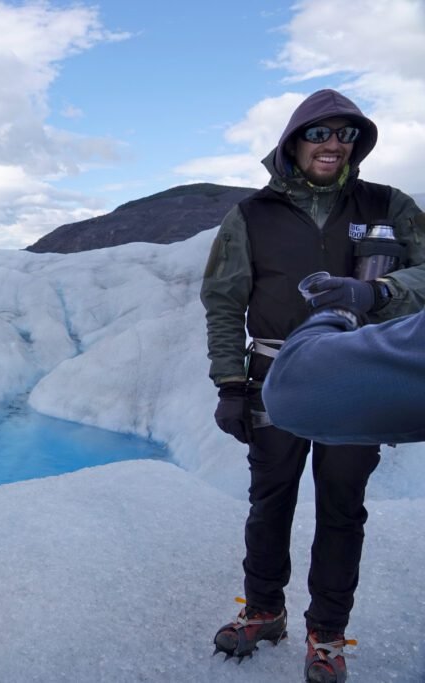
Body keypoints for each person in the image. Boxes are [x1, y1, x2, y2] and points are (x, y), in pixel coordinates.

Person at [200, 89, 424, 683]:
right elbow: (224, 301)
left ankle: (327, 635)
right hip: (275, 377)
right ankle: (265, 611)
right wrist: (229, 383)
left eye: (345, 135)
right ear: (294, 141)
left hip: (356, 379)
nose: (333, 145)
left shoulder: (389, 203)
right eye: (320, 133)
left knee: (342, 509)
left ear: (357, 145)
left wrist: (379, 293)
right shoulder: (252, 215)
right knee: (270, 501)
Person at [262, 300, 425, 445]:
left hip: (316, 369)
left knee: (343, 474)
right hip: (350, 368)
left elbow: (288, 389)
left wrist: (339, 314)